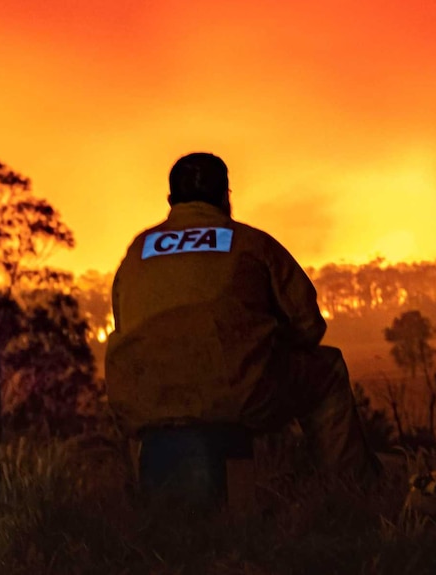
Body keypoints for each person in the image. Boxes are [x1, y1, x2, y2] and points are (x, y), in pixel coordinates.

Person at [105, 152, 380, 503]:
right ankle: (353, 493)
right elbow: (309, 327)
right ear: (225, 197)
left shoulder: (137, 251)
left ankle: (142, 501)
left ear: (171, 201)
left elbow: (125, 323)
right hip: (237, 396)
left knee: (135, 389)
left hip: (142, 403)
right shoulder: (252, 244)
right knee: (326, 369)